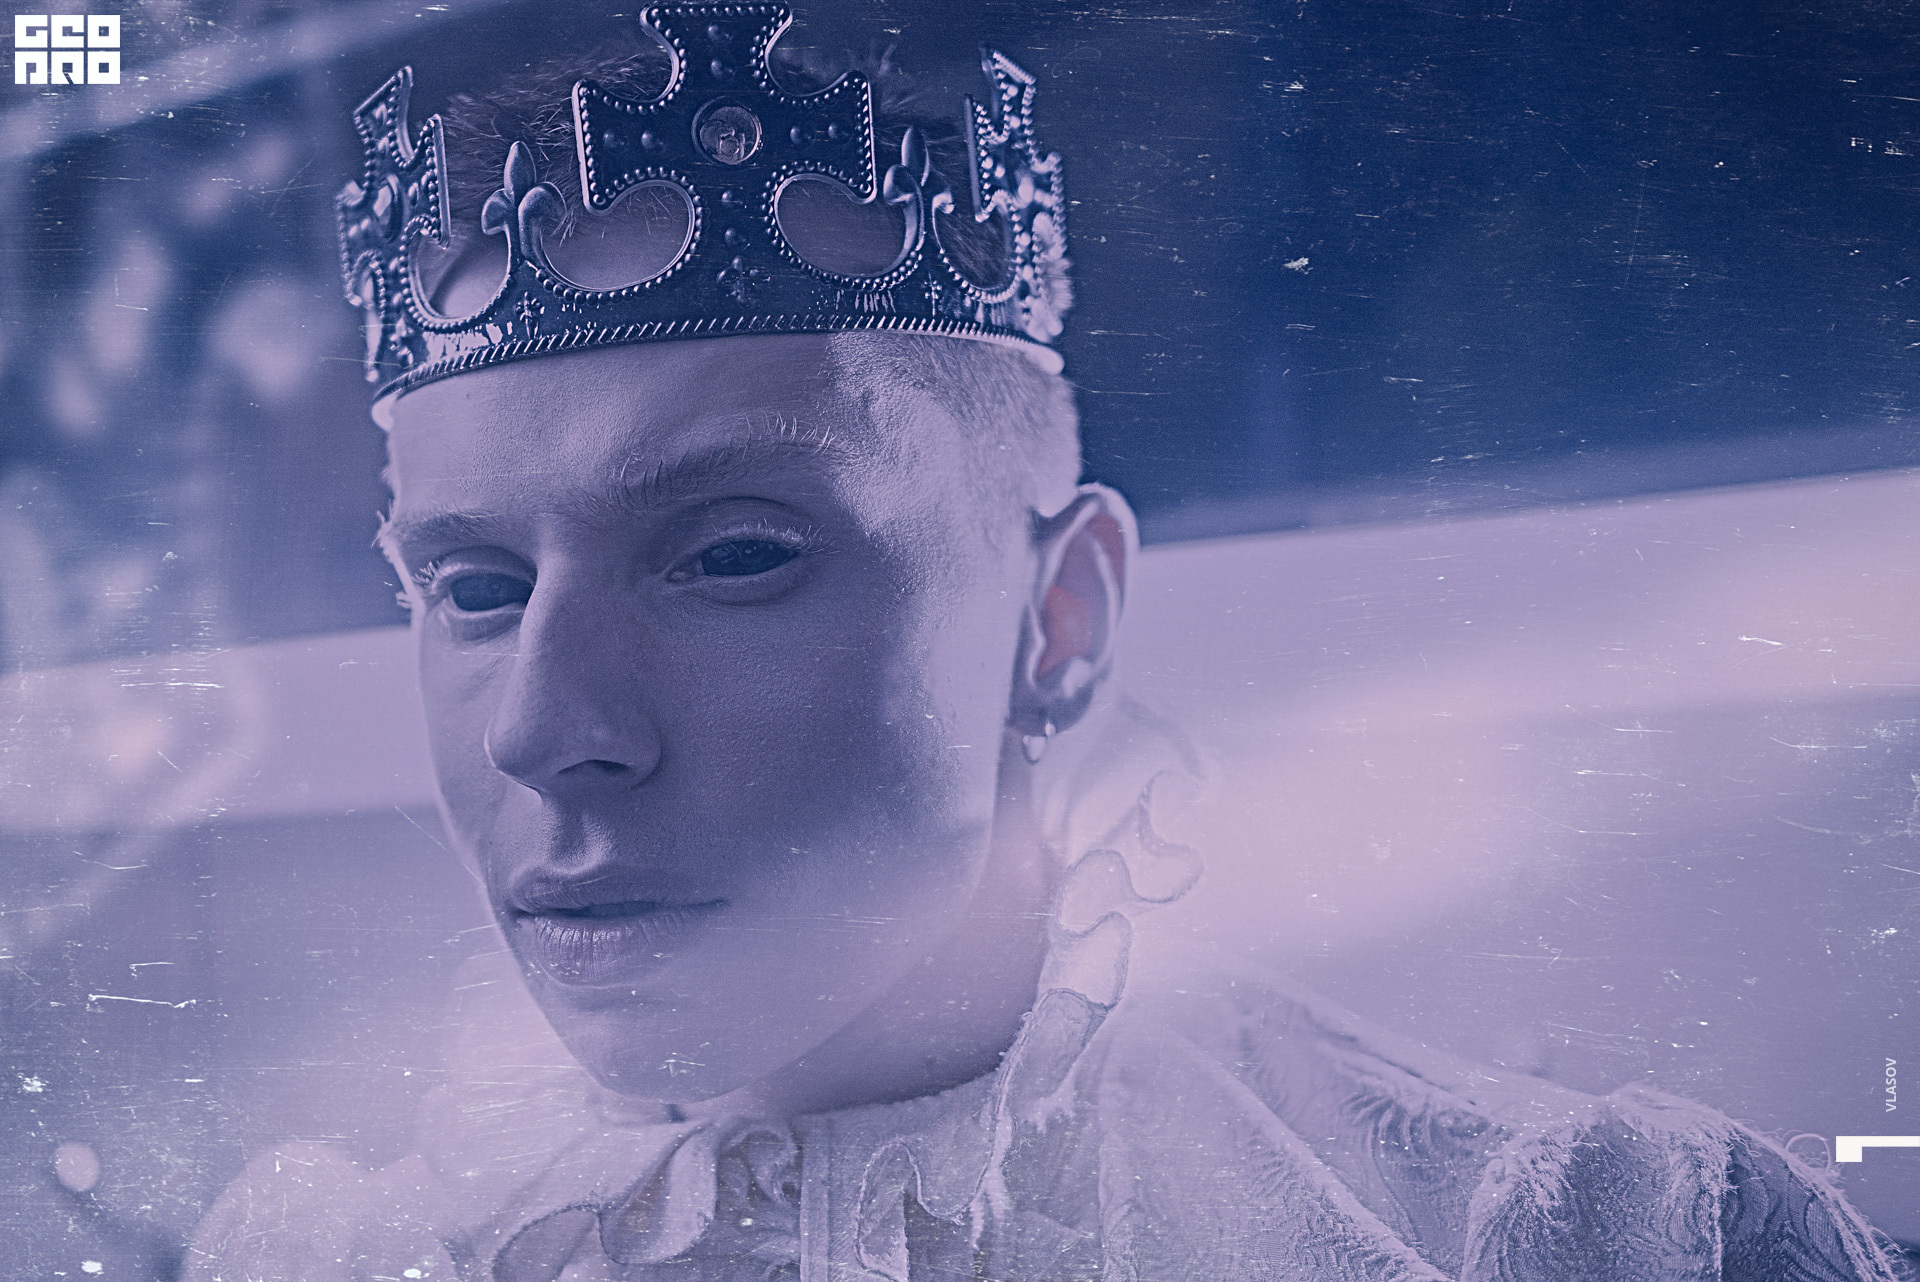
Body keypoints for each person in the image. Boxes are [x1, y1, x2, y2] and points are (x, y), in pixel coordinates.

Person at [185, 9, 1908, 1279]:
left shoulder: (1573, 1238)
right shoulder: (329, 1252)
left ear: (1060, 615)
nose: (544, 726)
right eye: (473, 586)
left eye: (732, 555)